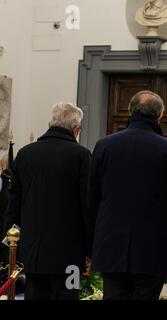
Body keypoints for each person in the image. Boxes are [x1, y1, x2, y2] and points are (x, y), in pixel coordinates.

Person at [88, 90, 167, 300]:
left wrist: (94, 237)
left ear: (130, 112)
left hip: (111, 244)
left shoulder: (104, 146)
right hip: (154, 246)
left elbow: (92, 198)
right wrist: (166, 221)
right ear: (160, 116)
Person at [3, 103, 92, 300]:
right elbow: (88, 207)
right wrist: (90, 249)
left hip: (34, 250)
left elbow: (14, 203)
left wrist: (11, 245)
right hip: (70, 254)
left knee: (35, 295)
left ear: (50, 123)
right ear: (75, 129)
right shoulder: (81, 156)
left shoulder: (26, 154)